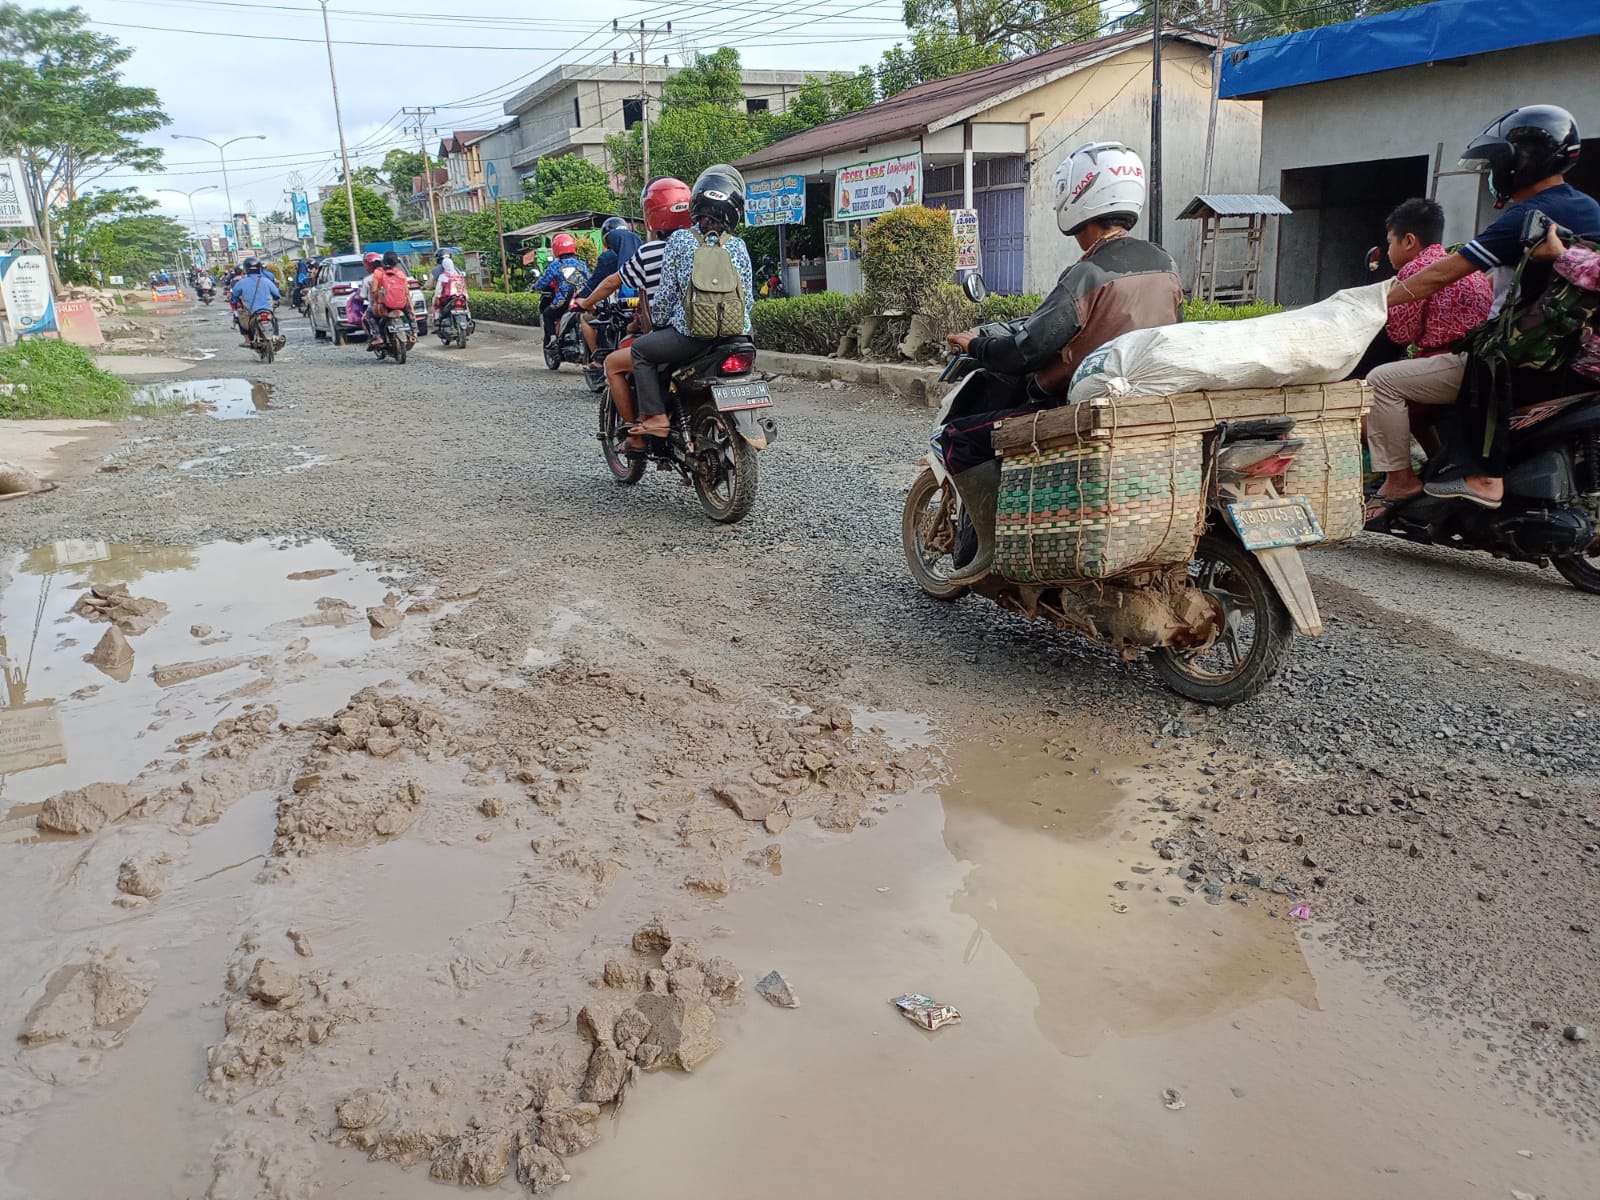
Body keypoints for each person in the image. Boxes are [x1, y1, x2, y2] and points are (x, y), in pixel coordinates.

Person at [936, 140, 1183, 585]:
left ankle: (991, 547)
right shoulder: (1164, 263)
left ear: (1079, 197)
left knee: (960, 439)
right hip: (1143, 402)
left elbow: (1026, 350)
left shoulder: (1087, 273)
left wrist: (976, 346)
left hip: (1071, 406)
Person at [1372, 105, 1600, 508]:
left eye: (1497, 163)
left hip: (1518, 361)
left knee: (1382, 381)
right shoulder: (1590, 209)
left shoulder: (1525, 217)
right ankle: (1446, 467)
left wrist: (1370, 302)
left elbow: (1443, 274)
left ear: (1520, 162)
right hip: (1575, 358)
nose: (1494, 173)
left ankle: (1402, 481)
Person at [1362, 199, 1496, 520]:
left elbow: (1401, 333)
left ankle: (1400, 480)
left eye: (1390, 242)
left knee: (1380, 382)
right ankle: (1438, 465)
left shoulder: (1415, 271)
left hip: (1455, 361)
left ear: (1408, 240)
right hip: (1482, 361)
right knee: (1412, 395)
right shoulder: (1462, 264)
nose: (1388, 250)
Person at [628, 165, 754, 440]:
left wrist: (658, 324)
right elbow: (748, 299)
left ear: (696, 204)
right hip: (736, 335)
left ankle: (656, 417)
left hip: (692, 336)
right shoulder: (738, 245)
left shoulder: (680, 240)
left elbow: (666, 297)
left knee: (640, 351)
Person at [573, 177, 693, 448]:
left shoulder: (649, 253)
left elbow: (612, 283)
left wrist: (586, 302)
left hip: (677, 336)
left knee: (614, 363)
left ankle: (636, 437)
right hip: (720, 334)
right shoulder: (706, 245)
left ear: (651, 215)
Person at [578, 216, 642, 360]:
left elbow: (596, 283)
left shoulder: (608, 258)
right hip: (642, 310)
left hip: (619, 307)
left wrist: (582, 300)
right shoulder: (643, 253)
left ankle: (597, 358)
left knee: (586, 318)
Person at [533, 233, 589, 347]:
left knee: (547, 314)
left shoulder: (556, 265)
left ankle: (553, 338)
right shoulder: (581, 264)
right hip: (582, 299)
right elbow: (589, 279)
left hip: (563, 301)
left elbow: (543, 281)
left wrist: (535, 287)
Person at [228, 257, 280, 347]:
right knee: (274, 319)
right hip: (267, 310)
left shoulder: (241, 282)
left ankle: (247, 340)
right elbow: (277, 295)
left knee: (240, 319)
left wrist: (234, 300)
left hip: (251, 312)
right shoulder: (267, 281)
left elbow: (234, 296)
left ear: (246, 269)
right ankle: (276, 337)